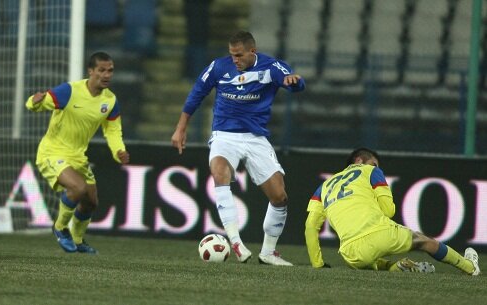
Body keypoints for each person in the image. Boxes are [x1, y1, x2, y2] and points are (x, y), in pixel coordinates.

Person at [171, 31, 305, 266]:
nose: (234, 60)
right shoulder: (218, 67)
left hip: (255, 137)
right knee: (220, 172)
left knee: (279, 197)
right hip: (225, 135)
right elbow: (196, 95)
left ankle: (268, 253)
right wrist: (181, 128)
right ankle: (235, 242)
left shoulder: (271, 67)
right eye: (232, 55)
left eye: (239, 55)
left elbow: (293, 82)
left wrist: (294, 82)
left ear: (252, 52)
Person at [305, 148, 480, 275]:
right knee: (426, 241)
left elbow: (310, 226)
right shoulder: (371, 171)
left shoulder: (324, 185)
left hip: (350, 253)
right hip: (381, 234)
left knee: (372, 262)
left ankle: (399, 267)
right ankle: (470, 267)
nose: (376, 166)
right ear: (358, 160)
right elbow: (389, 210)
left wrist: (318, 264)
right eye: (374, 162)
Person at [25, 51, 130, 254]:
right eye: (101, 70)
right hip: (52, 152)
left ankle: (78, 240)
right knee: (77, 188)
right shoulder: (69, 91)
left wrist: (119, 151)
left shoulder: (110, 101)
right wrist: (33, 101)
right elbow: (40, 103)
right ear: (90, 71)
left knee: (90, 202)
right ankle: (60, 227)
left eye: (110, 71)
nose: (106, 75)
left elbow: (113, 131)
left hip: (77, 157)